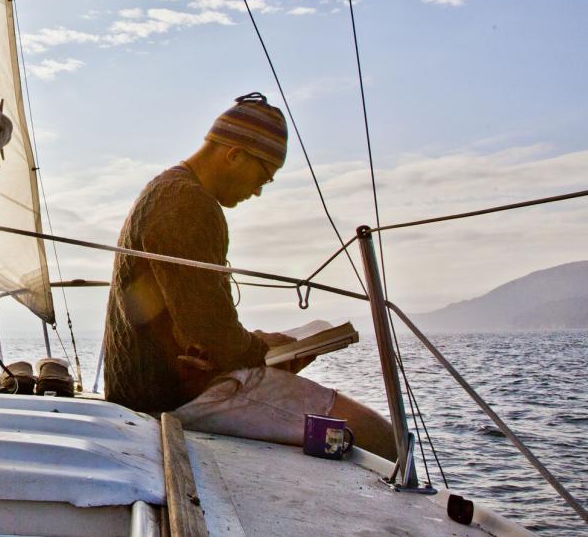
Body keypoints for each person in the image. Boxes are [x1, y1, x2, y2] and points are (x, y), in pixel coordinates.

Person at [102, 92, 397, 460]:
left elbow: (192, 324)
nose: (257, 191)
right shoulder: (188, 203)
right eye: (262, 177)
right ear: (235, 154)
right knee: (378, 434)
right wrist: (272, 351)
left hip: (144, 387)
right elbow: (212, 335)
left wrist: (257, 347)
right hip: (175, 396)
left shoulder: (162, 190)